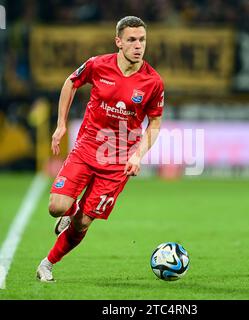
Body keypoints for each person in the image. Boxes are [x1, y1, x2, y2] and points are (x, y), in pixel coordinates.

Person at [36, 16, 164, 282]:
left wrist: (138, 155)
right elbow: (71, 82)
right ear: (118, 41)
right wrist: (61, 125)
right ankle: (69, 215)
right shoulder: (98, 65)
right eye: (131, 40)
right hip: (87, 148)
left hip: (118, 161)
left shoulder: (153, 82)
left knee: (84, 222)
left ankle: (47, 264)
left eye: (142, 40)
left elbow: (154, 122)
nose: (138, 45)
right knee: (57, 207)